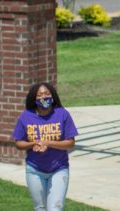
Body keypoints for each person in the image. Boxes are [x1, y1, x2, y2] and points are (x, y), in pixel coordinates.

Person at [13, 82, 80, 211]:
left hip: (59, 169)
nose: (44, 97)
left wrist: (47, 142)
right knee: (40, 208)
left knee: (55, 208)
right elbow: (18, 143)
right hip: (34, 170)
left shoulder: (62, 114)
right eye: (40, 95)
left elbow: (70, 143)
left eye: (47, 94)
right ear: (34, 98)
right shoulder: (26, 116)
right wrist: (33, 144)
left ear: (53, 95)